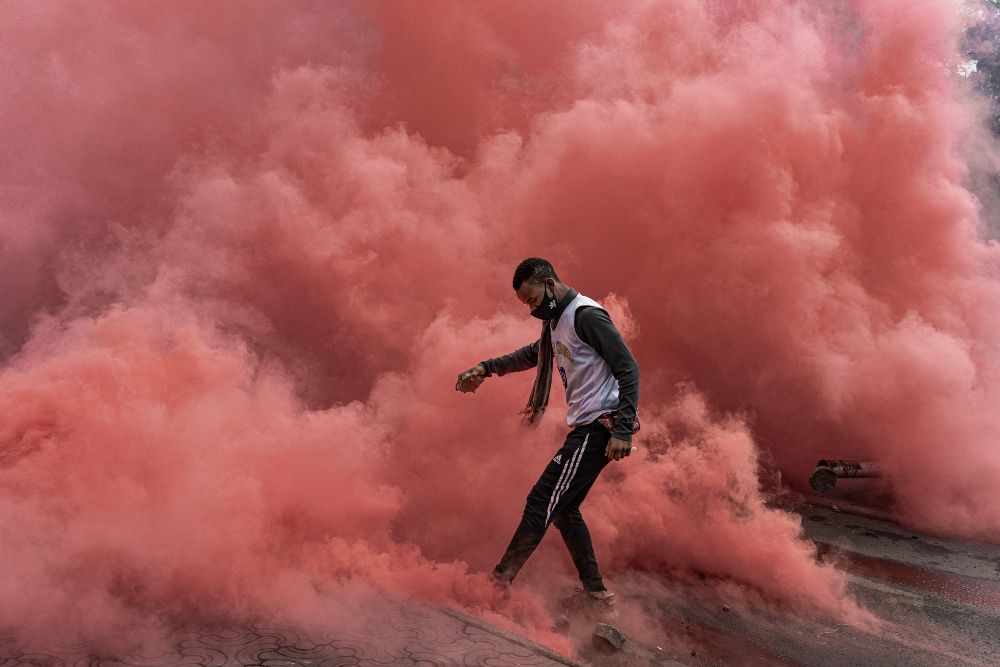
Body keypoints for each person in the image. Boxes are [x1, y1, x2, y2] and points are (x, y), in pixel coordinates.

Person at [456, 257, 640, 616]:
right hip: (589, 426)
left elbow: (628, 368)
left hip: (599, 426)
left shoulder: (586, 316)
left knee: (541, 501)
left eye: (532, 301)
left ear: (550, 285)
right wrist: (487, 368)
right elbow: (533, 355)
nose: (531, 310)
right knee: (564, 509)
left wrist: (622, 430)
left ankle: (498, 583)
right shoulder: (557, 323)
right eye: (526, 304)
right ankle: (598, 599)